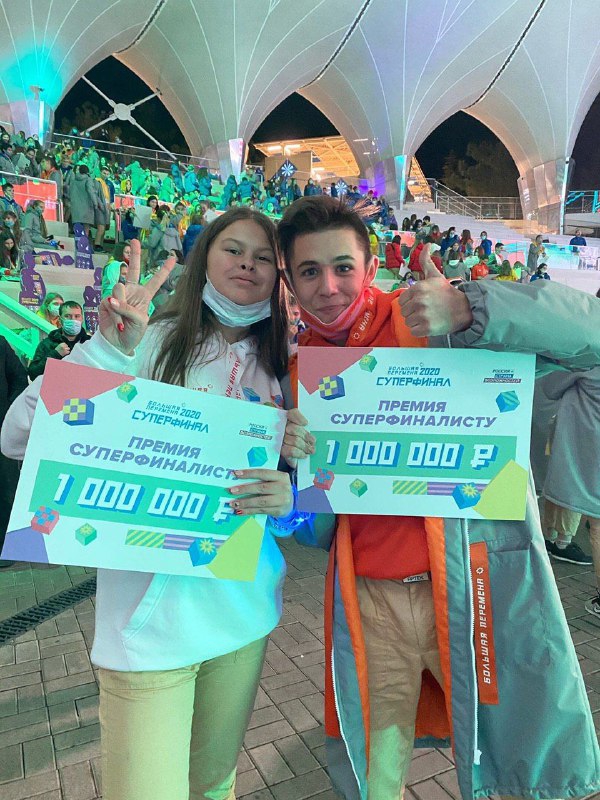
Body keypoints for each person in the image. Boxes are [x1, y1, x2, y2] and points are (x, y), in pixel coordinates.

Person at [278, 195, 600, 800]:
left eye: (342, 267)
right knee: (373, 775)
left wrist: (473, 308)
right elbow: (316, 528)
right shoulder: (299, 372)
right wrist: (296, 477)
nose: (328, 287)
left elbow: (592, 336)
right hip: (368, 603)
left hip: (472, 591)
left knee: (514, 760)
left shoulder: (430, 321)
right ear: (291, 282)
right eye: (310, 272)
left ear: (369, 266)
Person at [1, 206, 315, 800]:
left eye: (263, 258)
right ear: (204, 260)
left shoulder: (286, 367)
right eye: (233, 250)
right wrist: (106, 352)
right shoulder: (147, 343)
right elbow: (17, 435)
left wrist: (288, 500)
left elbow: (290, 513)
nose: (247, 265)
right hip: (147, 636)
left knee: (213, 787)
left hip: (244, 620)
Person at [541, 367, 599, 585]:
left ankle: (558, 539)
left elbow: (550, 387)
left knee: (596, 521)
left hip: (585, 443)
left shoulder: (587, 356)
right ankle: (558, 539)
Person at [0, 336, 27, 568]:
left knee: (6, 491)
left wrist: (9, 415)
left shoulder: (0, 344)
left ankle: (5, 549)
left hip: (1, 435)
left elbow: (19, 378)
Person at [28, 301, 90, 380]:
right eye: (67, 316)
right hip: (56, 386)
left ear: (82, 319)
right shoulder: (47, 344)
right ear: (60, 320)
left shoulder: (90, 343)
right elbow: (33, 374)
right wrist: (55, 354)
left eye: (77, 316)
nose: (73, 320)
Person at [70, 164, 101, 237]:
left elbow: (70, 192)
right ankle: (83, 242)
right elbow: (91, 192)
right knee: (86, 228)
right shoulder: (88, 179)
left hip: (75, 207)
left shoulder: (74, 180)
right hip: (87, 207)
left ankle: (77, 242)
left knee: (77, 228)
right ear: (87, 171)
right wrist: (95, 203)